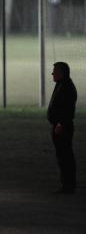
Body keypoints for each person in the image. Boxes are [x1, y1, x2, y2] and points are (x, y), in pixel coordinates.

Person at [47, 62, 77, 194]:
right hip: (59, 125)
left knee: (65, 156)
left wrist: (60, 123)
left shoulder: (66, 87)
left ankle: (68, 185)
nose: (52, 73)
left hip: (62, 126)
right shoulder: (62, 85)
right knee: (63, 156)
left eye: (54, 71)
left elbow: (67, 109)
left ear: (61, 73)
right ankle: (67, 183)